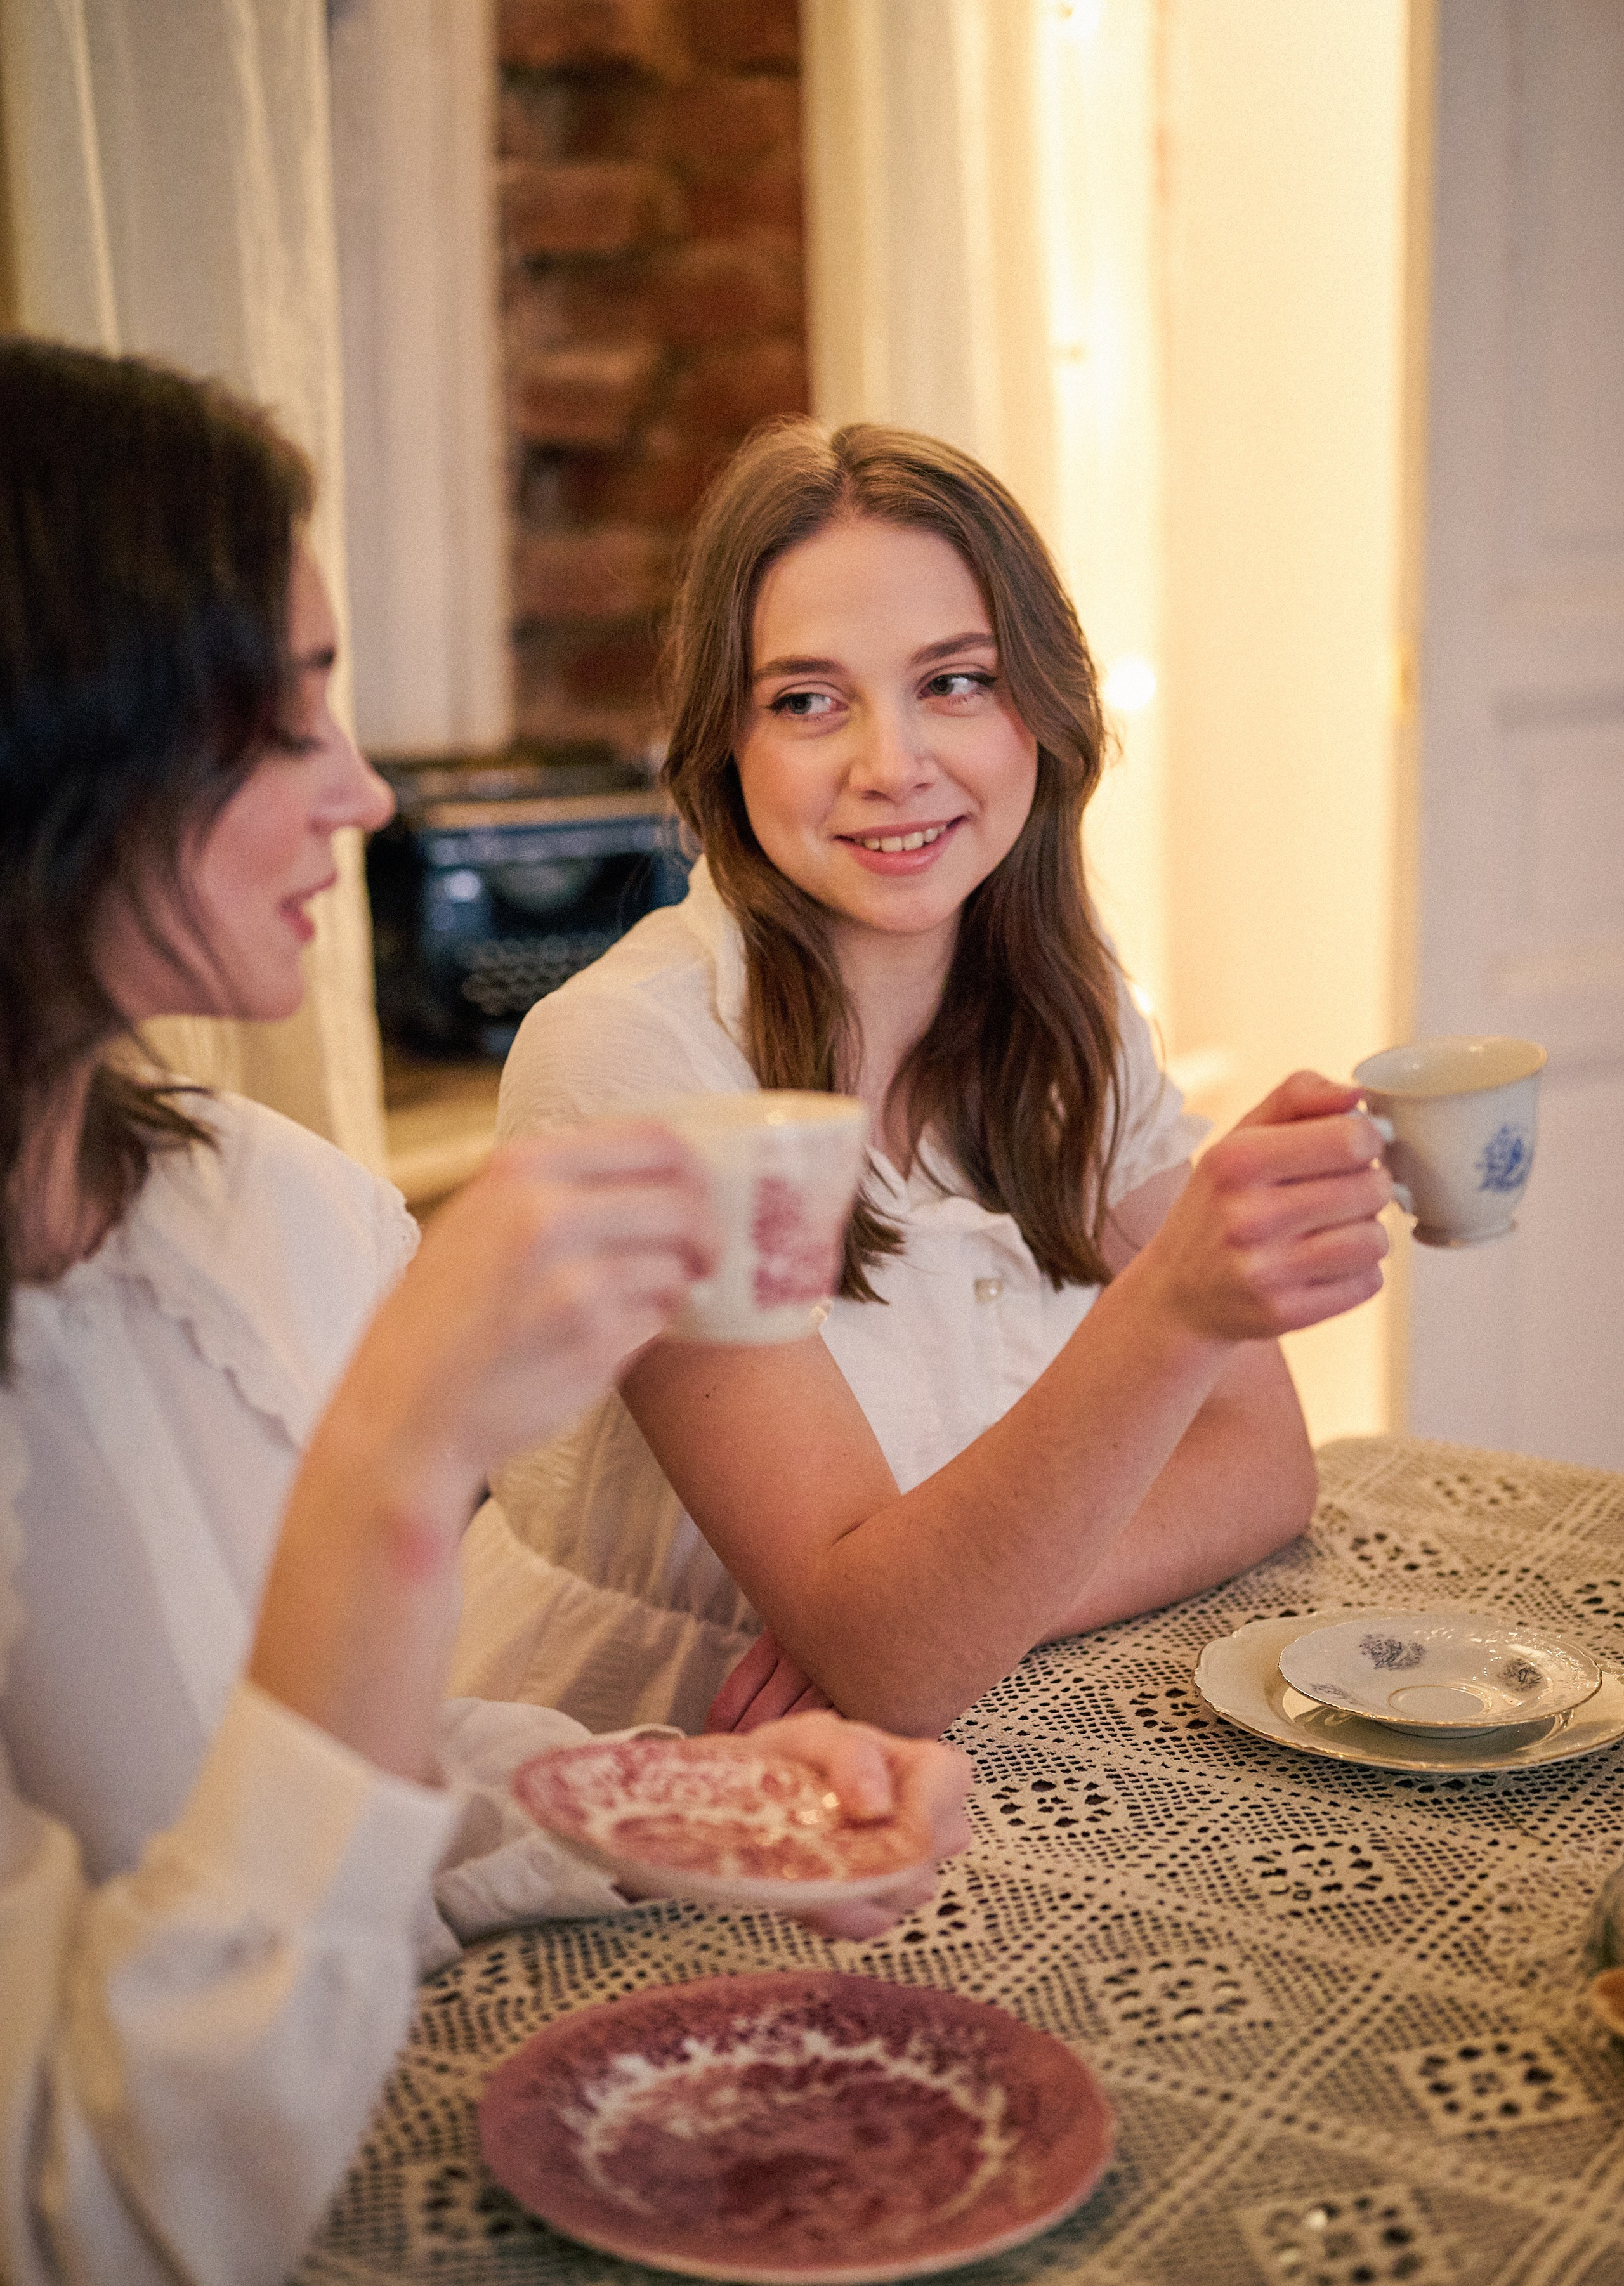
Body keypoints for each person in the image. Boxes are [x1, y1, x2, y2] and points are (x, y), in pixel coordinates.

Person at [0, 344, 972, 2286]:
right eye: (277, 723)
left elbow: (308, 1767)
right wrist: (399, 1460)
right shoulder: (611, 1061)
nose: (363, 791)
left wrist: (655, 1795)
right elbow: (106, 2217)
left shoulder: (271, 1218)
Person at [454, 418, 1395, 1742]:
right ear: (727, 743)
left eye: (952, 681)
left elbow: (1260, 1467)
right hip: (660, 1774)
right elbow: (891, 1659)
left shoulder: (1065, 1012)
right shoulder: (636, 1066)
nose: (890, 764)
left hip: (979, 1736)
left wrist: (956, 1610)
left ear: (1043, 711)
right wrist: (1175, 1302)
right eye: (806, 701)